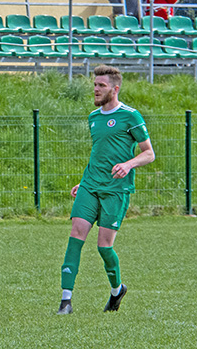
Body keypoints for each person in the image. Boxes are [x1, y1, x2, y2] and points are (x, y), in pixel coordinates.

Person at [57, 65, 155, 315]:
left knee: (104, 247)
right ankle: (65, 302)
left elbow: (149, 153)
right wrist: (84, 181)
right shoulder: (94, 117)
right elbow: (98, 154)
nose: (96, 89)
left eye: (101, 85)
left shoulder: (130, 116)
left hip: (116, 190)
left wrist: (128, 164)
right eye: (95, 84)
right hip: (90, 185)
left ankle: (116, 291)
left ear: (115, 88)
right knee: (76, 235)